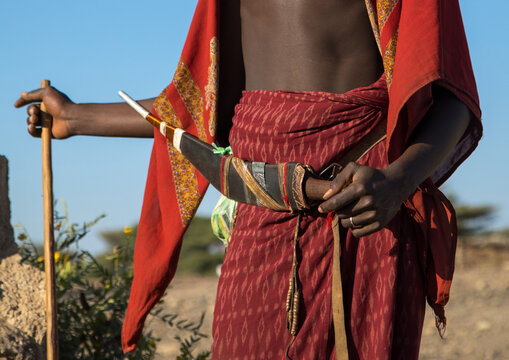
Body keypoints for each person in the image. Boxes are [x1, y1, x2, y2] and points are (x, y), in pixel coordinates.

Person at [15, 0, 481, 358]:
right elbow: (201, 109)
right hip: (260, 229)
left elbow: (452, 96)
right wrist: (76, 117)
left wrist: (399, 181)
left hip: (365, 223)